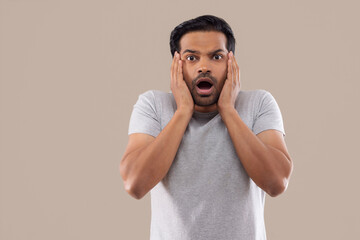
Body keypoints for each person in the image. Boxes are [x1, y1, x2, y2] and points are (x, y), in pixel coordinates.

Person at [119, 15, 293, 240]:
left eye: (216, 57)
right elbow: (135, 184)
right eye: (191, 57)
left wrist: (228, 110)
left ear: (231, 63)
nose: (203, 67)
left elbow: (276, 182)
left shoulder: (259, 103)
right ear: (176, 64)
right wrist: (182, 112)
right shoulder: (153, 105)